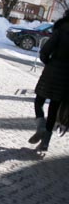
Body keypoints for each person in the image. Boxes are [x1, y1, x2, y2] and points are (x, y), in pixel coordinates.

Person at [28, 10, 69, 151]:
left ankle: (40, 127)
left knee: (39, 101)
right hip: (66, 78)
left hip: (52, 71)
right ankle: (45, 142)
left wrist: (48, 63)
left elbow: (45, 50)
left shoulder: (62, 29)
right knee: (54, 108)